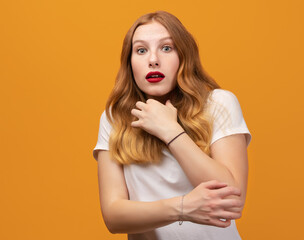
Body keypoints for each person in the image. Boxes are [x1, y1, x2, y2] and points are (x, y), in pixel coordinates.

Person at [92, 11, 251, 240]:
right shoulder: (114, 118)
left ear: (183, 56)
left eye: (166, 48)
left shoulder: (218, 103)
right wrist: (183, 207)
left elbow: (231, 198)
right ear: (130, 62)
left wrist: (171, 131)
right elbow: (113, 216)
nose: (153, 59)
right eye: (141, 50)